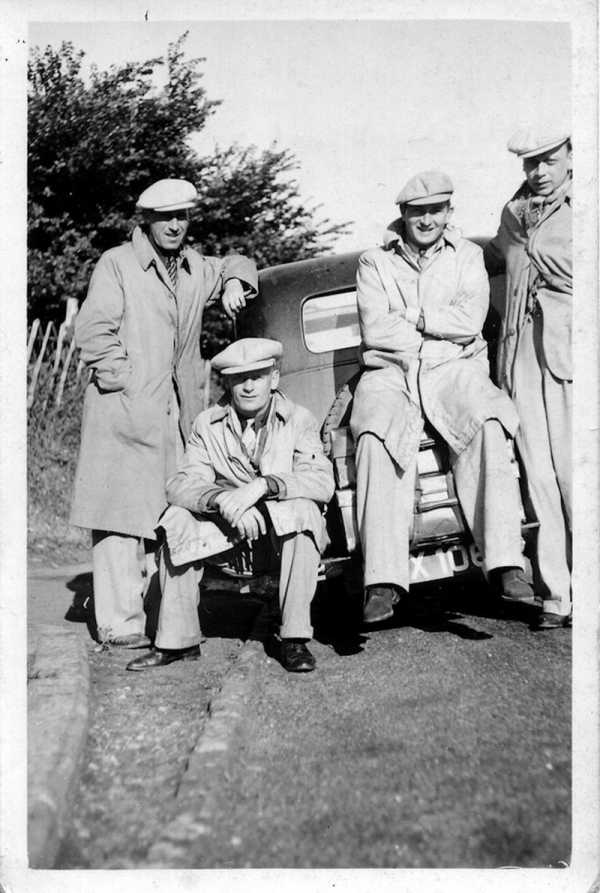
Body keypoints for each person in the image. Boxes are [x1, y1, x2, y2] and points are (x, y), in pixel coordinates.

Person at [70, 179, 258, 647]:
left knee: (170, 513)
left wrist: (234, 282)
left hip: (176, 415)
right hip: (123, 411)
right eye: (165, 217)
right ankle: (119, 624)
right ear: (146, 220)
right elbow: (93, 331)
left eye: (183, 216)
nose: (175, 225)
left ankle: (161, 619)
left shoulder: (194, 267)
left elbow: (236, 263)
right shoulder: (117, 264)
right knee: (118, 518)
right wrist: (126, 382)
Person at [350, 171, 532, 625]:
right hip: (390, 371)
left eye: (436, 210)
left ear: (449, 212)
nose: (427, 220)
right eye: (418, 212)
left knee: (487, 419)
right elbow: (376, 329)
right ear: (403, 214)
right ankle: (382, 581)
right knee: (373, 434)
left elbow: (469, 321)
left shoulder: (467, 255)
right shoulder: (374, 262)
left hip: (454, 367)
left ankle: (505, 563)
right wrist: (434, 327)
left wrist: (411, 315)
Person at [126, 337, 335, 673]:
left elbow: (322, 482)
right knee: (177, 518)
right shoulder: (207, 425)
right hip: (230, 543)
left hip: (279, 544)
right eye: (239, 379)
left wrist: (262, 488)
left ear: (274, 379)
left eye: (257, 377)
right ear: (227, 383)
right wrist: (222, 499)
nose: (248, 387)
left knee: (304, 512)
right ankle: (177, 642)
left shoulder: (298, 419)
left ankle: (294, 639)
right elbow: (181, 484)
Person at [484, 129, 572, 630]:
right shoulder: (513, 216)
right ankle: (557, 594)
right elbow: (493, 257)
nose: (539, 172)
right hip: (522, 357)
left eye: (549, 160)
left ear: (571, 158)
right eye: (530, 163)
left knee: (576, 474)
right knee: (539, 477)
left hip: (572, 355)